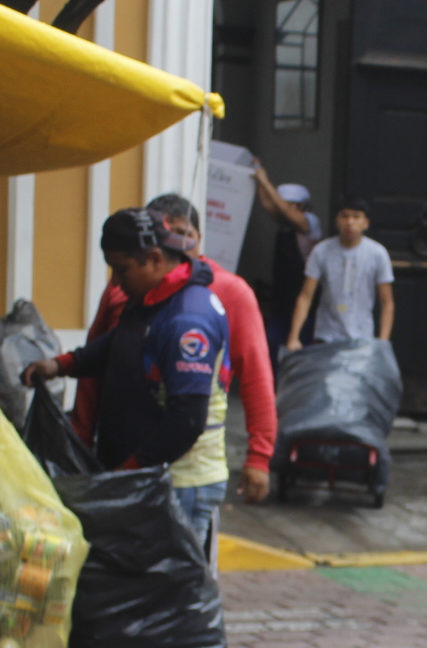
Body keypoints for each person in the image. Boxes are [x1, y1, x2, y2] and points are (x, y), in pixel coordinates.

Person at [22, 208, 228, 545]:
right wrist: (63, 364)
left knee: (171, 587)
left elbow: (187, 420)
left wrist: (130, 470)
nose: (116, 282)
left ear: (156, 259)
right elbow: (122, 342)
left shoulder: (187, 321)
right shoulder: (151, 301)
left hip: (177, 482)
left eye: (122, 270)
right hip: (142, 475)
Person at [71, 196, 277, 527]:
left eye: (183, 233)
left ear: (196, 235)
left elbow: (255, 377)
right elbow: (97, 366)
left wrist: (259, 455)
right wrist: (80, 440)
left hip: (179, 475)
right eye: (167, 235)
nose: (176, 245)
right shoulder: (126, 289)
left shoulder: (227, 294)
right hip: (124, 466)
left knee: (176, 570)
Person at [287, 197, 394, 351]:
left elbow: (387, 303)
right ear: (337, 221)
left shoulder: (377, 254)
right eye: (345, 216)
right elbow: (306, 296)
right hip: (326, 336)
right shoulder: (321, 251)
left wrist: (383, 342)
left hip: (362, 338)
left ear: (366, 223)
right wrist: (293, 337)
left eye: (356, 217)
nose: (350, 222)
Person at [252, 164, 322, 362]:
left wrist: (266, 181)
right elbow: (269, 205)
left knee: (301, 349)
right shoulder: (285, 224)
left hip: (303, 295)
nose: (283, 208)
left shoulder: (310, 222)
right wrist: (257, 178)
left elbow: (280, 207)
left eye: (288, 204)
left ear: (301, 206)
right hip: (282, 297)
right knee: (272, 344)